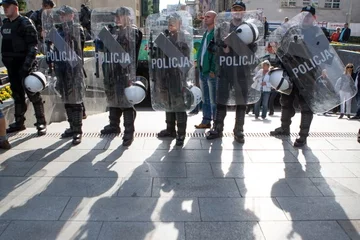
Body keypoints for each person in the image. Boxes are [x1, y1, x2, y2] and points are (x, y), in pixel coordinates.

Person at [206, 1, 259, 143]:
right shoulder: (223, 27)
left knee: (241, 102)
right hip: (225, 70)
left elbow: (254, 50)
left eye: (240, 9)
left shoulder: (249, 28)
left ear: (244, 12)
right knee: (221, 100)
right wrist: (222, 47)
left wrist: (243, 45)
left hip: (242, 70)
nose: (237, 12)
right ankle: (217, 128)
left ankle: (239, 130)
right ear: (231, 11)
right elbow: (213, 45)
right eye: (235, 9)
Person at [270, 6, 321, 147]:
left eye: (309, 15)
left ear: (314, 17)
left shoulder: (318, 33)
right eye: (304, 15)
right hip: (291, 72)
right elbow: (282, 50)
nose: (306, 18)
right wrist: (279, 64)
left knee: (306, 107)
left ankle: (303, 135)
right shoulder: (293, 31)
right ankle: (284, 128)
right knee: (285, 102)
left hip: (307, 75)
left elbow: (324, 56)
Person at [1, 0, 47, 136]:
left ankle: (41, 123)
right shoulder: (5, 24)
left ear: (15, 7)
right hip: (12, 66)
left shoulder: (25, 23)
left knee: (33, 95)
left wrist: (26, 66)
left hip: (25, 66)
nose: (5, 9)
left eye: (7, 6)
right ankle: (19, 122)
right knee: (17, 95)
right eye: (3, 7)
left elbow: (33, 46)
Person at [98, 7, 143, 146]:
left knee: (126, 102)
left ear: (127, 17)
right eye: (115, 16)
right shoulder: (114, 31)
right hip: (111, 71)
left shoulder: (133, 32)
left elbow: (128, 46)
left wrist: (113, 37)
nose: (116, 19)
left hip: (125, 73)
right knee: (113, 99)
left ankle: (128, 132)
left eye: (119, 16)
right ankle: (113, 125)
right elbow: (103, 48)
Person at [51, 5, 85, 145]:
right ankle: (71, 127)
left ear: (71, 15)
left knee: (75, 101)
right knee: (66, 100)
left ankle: (77, 131)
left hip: (74, 70)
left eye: (64, 15)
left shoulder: (77, 29)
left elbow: (79, 47)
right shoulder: (57, 31)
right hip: (61, 69)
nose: (62, 17)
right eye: (61, 15)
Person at [155, 13, 191, 146]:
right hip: (166, 75)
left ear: (179, 24)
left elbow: (185, 56)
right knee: (168, 103)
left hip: (178, 76)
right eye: (169, 22)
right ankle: (170, 129)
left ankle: (181, 133)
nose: (170, 24)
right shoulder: (166, 37)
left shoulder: (184, 37)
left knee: (179, 104)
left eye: (173, 22)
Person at [194, 10, 217, 129]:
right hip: (203, 70)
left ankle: (216, 123)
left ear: (215, 19)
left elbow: (216, 54)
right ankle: (206, 120)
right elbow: (203, 51)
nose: (205, 18)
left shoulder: (215, 34)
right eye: (205, 17)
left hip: (211, 72)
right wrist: (198, 62)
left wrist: (213, 70)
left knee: (213, 100)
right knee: (205, 98)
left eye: (208, 17)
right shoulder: (206, 33)